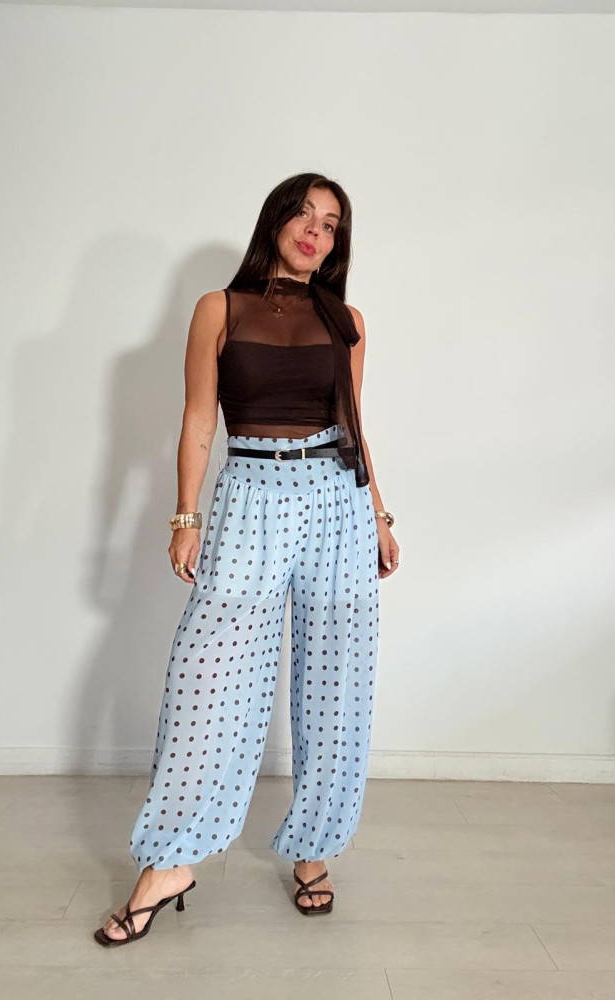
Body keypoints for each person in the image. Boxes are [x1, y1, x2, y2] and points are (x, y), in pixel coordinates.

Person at [95, 172, 399, 947]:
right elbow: (200, 419)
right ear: (276, 220)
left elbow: (354, 427)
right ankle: (170, 863)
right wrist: (185, 516)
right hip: (252, 494)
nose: (316, 230)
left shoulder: (347, 321)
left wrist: (379, 517)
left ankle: (314, 848)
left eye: (332, 223)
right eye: (305, 213)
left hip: (336, 500)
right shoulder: (219, 309)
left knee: (336, 680)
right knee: (208, 677)